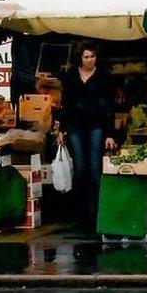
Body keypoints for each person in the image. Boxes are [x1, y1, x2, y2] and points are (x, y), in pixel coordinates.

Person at [58, 41, 117, 232]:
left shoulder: (104, 77)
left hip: (96, 126)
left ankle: (97, 215)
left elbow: (109, 106)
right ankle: (80, 216)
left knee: (94, 170)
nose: (90, 60)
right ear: (80, 58)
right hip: (74, 126)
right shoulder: (70, 76)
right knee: (80, 169)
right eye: (86, 56)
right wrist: (61, 129)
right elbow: (64, 104)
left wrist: (110, 134)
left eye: (92, 56)